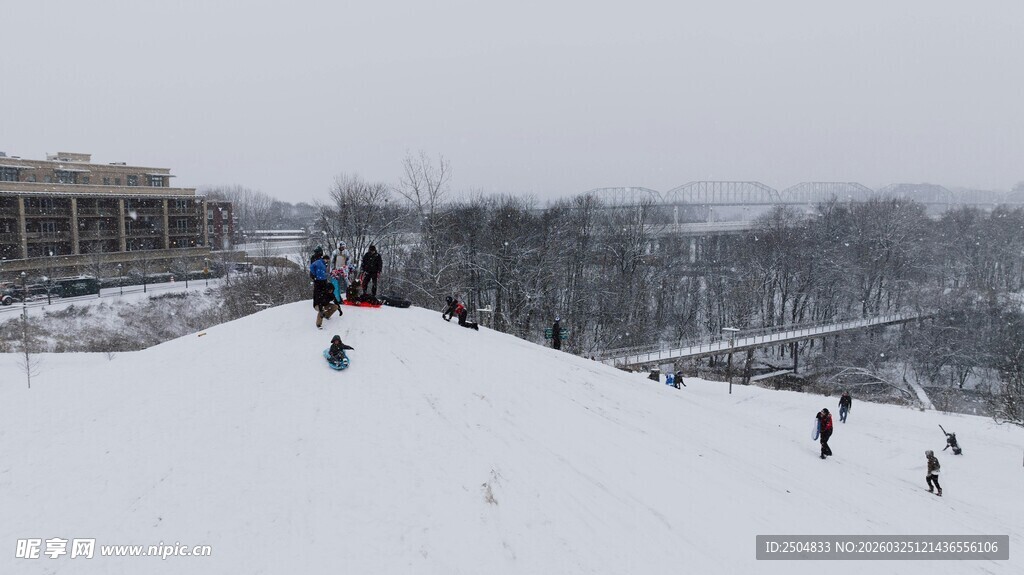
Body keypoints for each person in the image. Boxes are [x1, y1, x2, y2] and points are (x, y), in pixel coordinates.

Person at [309, 252, 338, 329]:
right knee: (320, 300)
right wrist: (314, 275)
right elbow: (311, 267)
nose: (327, 261)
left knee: (324, 294)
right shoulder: (318, 262)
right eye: (327, 260)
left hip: (323, 280)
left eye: (328, 260)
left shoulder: (324, 264)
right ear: (324, 259)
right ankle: (318, 324)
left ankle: (326, 315)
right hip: (318, 280)